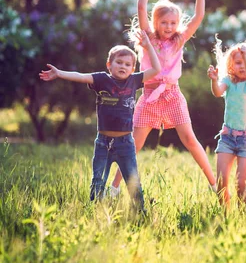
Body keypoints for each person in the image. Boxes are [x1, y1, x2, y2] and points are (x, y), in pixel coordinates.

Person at [109, 0, 217, 195]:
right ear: (155, 22)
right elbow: (140, 7)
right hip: (149, 97)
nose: (168, 27)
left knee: (190, 139)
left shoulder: (178, 41)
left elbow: (199, 16)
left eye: (173, 23)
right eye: (164, 22)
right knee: (133, 145)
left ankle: (214, 184)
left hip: (172, 95)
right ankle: (114, 188)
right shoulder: (148, 39)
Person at [39, 31, 161, 212]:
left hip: (126, 143)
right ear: (109, 65)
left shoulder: (134, 81)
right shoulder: (102, 79)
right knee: (98, 181)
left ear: (133, 68)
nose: (123, 66)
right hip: (103, 143)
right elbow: (80, 76)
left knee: (132, 180)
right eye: (118, 62)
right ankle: (95, 212)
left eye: (127, 64)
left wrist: (148, 46)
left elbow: (156, 70)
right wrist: (59, 73)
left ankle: (140, 213)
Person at [208, 37, 246, 208]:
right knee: (221, 182)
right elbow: (217, 92)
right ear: (230, 65)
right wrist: (214, 79)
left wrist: (244, 55)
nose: (242, 66)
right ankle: (226, 215)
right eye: (238, 62)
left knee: (240, 183)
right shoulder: (228, 81)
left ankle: (244, 217)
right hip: (228, 137)